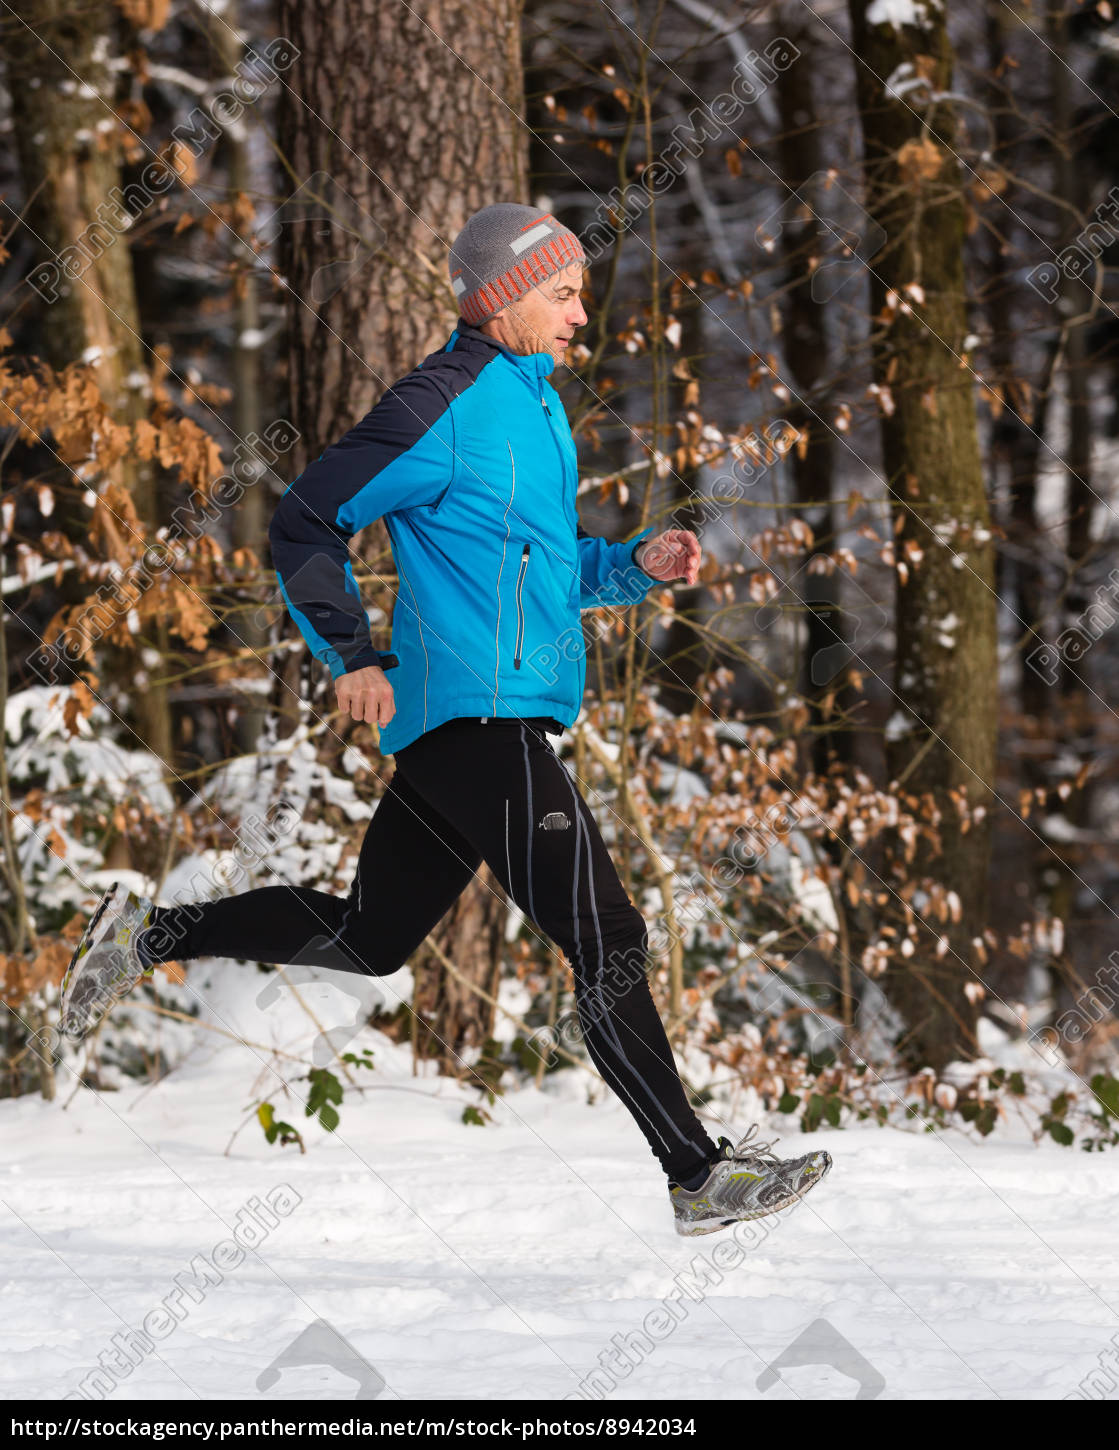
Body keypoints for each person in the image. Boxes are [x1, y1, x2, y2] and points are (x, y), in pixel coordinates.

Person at [58, 203, 831, 1236]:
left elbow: (538, 576)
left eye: (581, 294)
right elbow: (305, 520)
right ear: (502, 297)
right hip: (477, 719)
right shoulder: (442, 399)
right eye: (561, 293)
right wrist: (355, 653)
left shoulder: (535, 407)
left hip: (489, 716)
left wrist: (629, 566)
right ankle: (695, 1173)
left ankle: (146, 936)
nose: (580, 316)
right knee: (605, 932)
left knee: (371, 937)